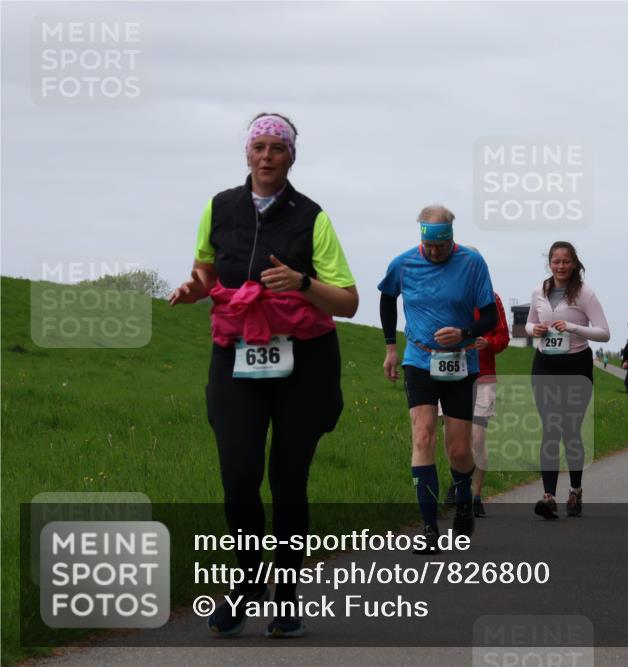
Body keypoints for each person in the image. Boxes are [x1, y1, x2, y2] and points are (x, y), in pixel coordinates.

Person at [169, 113, 359, 638]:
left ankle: (286, 595)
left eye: (278, 147)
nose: (267, 156)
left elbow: (347, 301)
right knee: (238, 475)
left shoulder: (312, 217)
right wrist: (196, 289)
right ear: (247, 154)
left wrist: (301, 283)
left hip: (305, 362)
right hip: (236, 355)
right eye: (259, 147)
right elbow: (207, 271)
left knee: (287, 481)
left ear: (291, 156)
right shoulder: (220, 207)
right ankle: (246, 583)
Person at [378, 206, 497, 553]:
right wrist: (390, 348)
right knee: (423, 436)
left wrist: (464, 331)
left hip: (460, 361)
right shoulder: (403, 263)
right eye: (429, 247)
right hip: (418, 358)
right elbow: (387, 299)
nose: (434, 253)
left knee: (459, 449)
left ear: (451, 239)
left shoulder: (472, 263)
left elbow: (488, 315)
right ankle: (429, 528)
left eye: (441, 247)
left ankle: (463, 501)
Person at [527, 242, 610, 519]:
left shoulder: (585, 294)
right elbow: (527, 324)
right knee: (550, 428)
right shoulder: (540, 290)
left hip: (576, 364)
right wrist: (534, 329)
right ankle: (548, 497)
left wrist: (573, 327)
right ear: (549, 263)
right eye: (555, 261)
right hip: (545, 364)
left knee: (570, 430)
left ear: (574, 264)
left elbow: (604, 333)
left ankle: (575, 490)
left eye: (565, 262)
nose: (560, 266)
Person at [444, 284, 511, 517]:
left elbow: (503, 337)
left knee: (478, 438)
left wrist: (489, 343)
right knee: (454, 439)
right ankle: (458, 483)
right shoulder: (446, 292)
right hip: (451, 375)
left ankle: (476, 496)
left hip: (483, 377)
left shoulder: (492, 299)